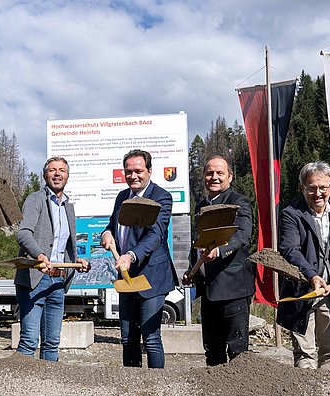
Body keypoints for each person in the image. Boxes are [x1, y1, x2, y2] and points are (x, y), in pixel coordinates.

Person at [101, 149, 178, 369]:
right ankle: (132, 387)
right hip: (126, 278)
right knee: (128, 339)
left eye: (138, 171)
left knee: (151, 339)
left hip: (151, 276)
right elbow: (112, 226)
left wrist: (131, 256)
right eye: (129, 172)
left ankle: (156, 389)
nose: (133, 176)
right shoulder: (122, 196)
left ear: (149, 171)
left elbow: (156, 234)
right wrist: (107, 233)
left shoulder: (161, 197)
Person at [14, 156, 90, 361]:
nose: (57, 174)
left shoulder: (68, 207)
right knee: (29, 340)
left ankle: (49, 388)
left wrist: (77, 261)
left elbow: (65, 245)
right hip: (34, 279)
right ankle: (19, 387)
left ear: (67, 176)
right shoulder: (36, 199)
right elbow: (23, 233)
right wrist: (39, 255)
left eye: (62, 170)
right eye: (52, 170)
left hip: (58, 281)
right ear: (45, 175)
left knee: (52, 342)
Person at [183, 155, 254, 366]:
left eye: (220, 173)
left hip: (233, 289)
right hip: (208, 291)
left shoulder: (239, 202)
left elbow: (242, 234)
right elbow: (198, 243)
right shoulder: (201, 206)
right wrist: (192, 270)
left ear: (230, 177)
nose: (214, 177)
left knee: (237, 351)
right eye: (209, 173)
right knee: (213, 352)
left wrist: (220, 250)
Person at [277, 162, 330, 370]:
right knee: (304, 356)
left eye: (323, 187)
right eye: (311, 187)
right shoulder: (291, 214)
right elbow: (290, 249)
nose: (318, 193)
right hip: (302, 293)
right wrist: (311, 275)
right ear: (302, 188)